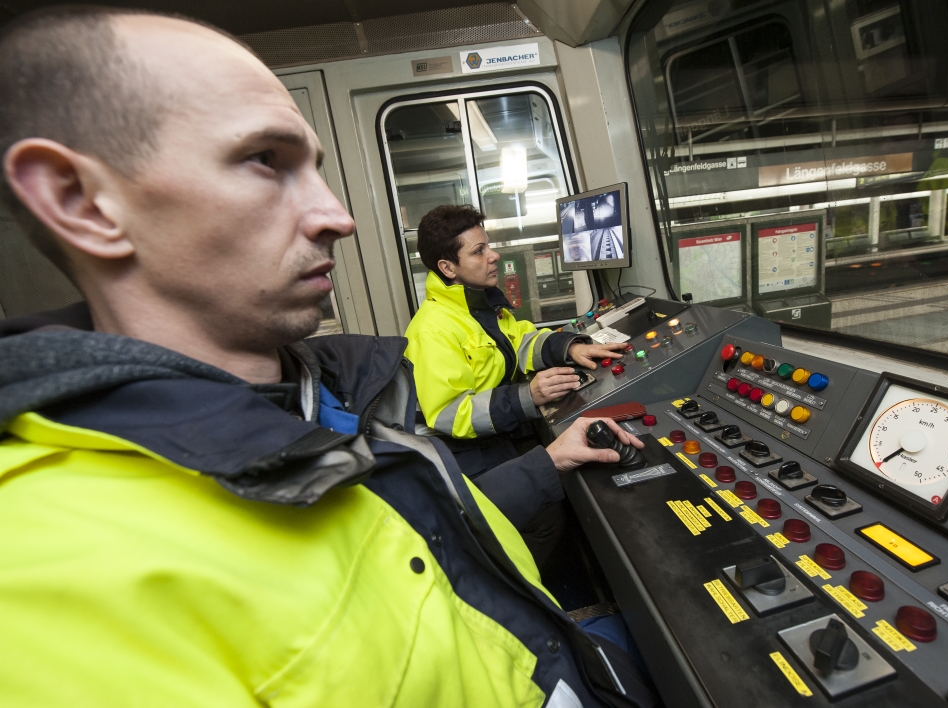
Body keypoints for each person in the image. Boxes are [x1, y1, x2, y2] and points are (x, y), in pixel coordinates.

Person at [0, 7, 655, 707]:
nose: (336, 216)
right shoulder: (42, 573)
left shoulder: (349, 393)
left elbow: (421, 534)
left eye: (313, 167)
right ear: (82, 202)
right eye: (264, 161)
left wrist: (549, 460)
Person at [404, 206, 628, 563]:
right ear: (448, 268)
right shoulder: (433, 329)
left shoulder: (480, 307)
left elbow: (522, 343)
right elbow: (450, 415)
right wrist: (530, 396)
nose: (494, 256)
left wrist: (571, 345)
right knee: (547, 516)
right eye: (478, 251)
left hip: (488, 439)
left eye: (488, 246)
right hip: (456, 454)